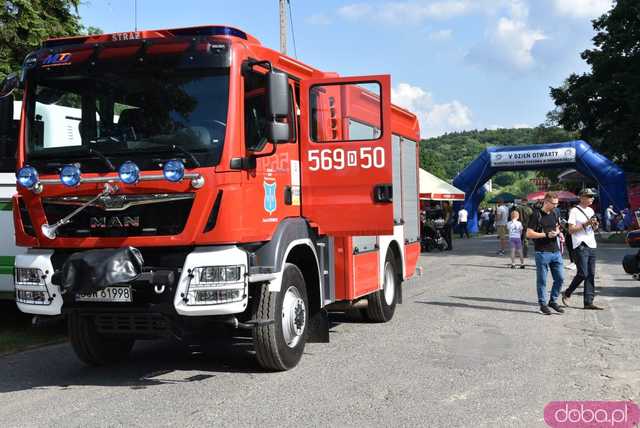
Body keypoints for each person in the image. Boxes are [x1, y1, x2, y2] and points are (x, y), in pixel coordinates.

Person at [562, 189, 603, 310]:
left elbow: (592, 228)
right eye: (589, 196)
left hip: (591, 244)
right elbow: (570, 230)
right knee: (583, 273)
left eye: (593, 196)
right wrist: (586, 224)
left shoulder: (590, 210)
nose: (592, 198)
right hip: (580, 244)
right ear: (581, 197)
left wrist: (594, 225)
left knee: (591, 274)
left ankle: (588, 302)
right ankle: (568, 292)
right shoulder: (574, 211)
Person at [526, 192, 565, 315]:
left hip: (556, 251)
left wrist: (559, 232)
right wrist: (546, 234)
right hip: (542, 252)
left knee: (560, 278)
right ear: (546, 201)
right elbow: (529, 233)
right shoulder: (536, 214)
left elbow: (558, 226)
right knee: (542, 280)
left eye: (557, 203)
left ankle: (553, 301)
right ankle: (543, 304)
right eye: (553, 203)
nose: (555, 206)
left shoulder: (555, 212)